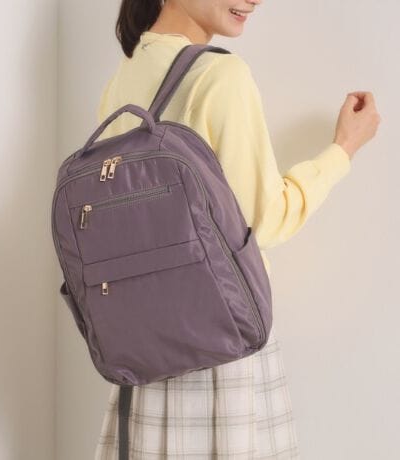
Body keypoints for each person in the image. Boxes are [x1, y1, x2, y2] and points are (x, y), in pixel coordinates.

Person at [93, 1, 381, 458]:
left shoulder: (124, 76)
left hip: (143, 355)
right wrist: (342, 149)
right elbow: (265, 221)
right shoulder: (221, 77)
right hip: (218, 347)